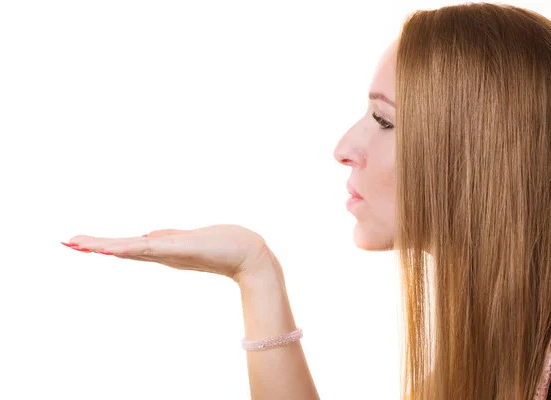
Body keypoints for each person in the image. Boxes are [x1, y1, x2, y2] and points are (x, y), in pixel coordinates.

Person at [61, 2, 551, 399]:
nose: (343, 149)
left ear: (483, 151)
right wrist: (255, 272)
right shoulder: (503, 345)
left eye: (384, 121)